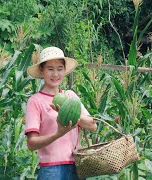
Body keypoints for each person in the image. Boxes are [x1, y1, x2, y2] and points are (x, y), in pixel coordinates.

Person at [25, 46, 97, 180]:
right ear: (42, 70)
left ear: (64, 70)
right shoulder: (35, 101)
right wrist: (58, 134)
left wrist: (68, 113)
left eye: (60, 69)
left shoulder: (70, 96)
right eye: (50, 69)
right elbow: (31, 143)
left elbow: (93, 126)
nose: (55, 74)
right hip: (51, 170)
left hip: (77, 167)